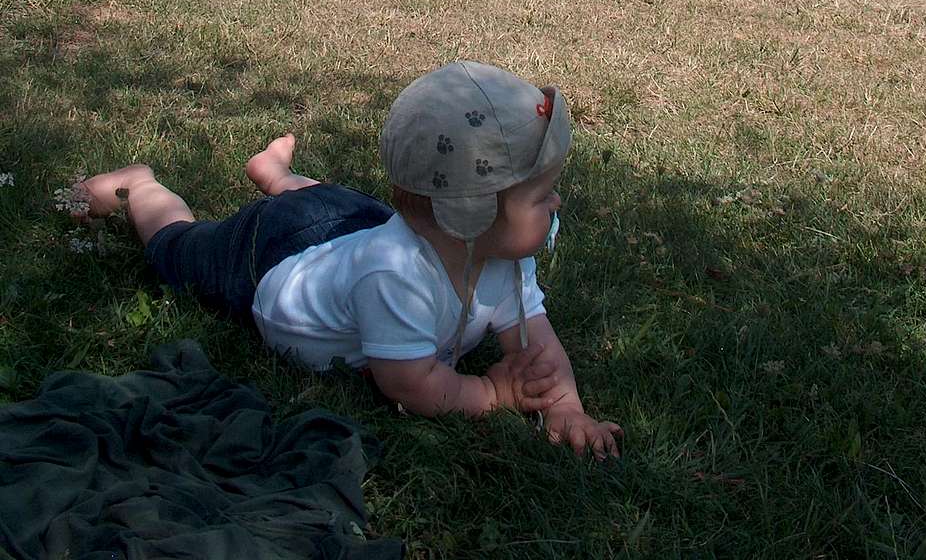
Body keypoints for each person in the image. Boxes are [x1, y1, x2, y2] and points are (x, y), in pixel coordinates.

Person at [80, 60, 623, 459]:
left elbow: (538, 342)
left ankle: (280, 178)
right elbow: (411, 384)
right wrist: (494, 391)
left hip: (347, 229)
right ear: (471, 215)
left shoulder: (497, 250)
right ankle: (140, 185)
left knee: (340, 211)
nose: (556, 202)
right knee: (178, 248)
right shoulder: (397, 276)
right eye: (541, 196)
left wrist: (566, 407)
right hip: (270, 257)